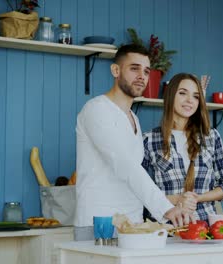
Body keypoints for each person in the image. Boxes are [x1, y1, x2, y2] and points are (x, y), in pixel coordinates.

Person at [74, 45, 195, 241]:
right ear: (116, 70)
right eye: (134, 68)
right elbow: (126, 166)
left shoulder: (133, 119)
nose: (142, 76)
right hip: (99, 222)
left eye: (146, 71)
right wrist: (166, 208)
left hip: (132, 224)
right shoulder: (96, 110)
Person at [142, 73, 223, 222]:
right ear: (170, 95)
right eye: (182, 93)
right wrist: (178, 199)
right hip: (165, 229)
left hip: (204, 228)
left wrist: (198, 198)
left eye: (195, 96)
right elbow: (140, 192)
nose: (189, 101)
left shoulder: (211, 137)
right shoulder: (149, 140)